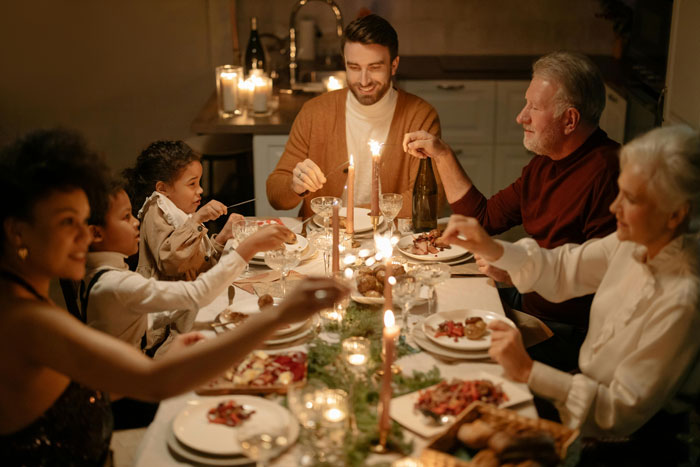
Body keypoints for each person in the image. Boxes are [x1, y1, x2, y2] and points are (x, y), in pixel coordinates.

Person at [0, 129, 348, 464]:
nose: (85, 236)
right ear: (17, 231)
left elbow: (90, 385)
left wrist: (165, 361)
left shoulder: (26, 297)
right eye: (66, 222)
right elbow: (154, 384)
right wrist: (280, 315)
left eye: (83, 220)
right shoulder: (25, 320)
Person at [440, 125, 700, 463]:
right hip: (580, 397)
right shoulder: (633, 242)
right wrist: (491, 247)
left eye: (631, 199)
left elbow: (619, 411)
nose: (615, 207)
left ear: (676, 215)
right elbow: (563, 267)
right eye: (619, 192)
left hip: (630, 444)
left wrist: (529, 372)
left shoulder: (683, 298)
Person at [404, 51, 620, 370]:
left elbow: (600, 281)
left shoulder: (610, 173)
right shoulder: (543, 165)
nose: (521, 117)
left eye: (534, 107)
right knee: (428, 316)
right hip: (530, 304)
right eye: (525, 103)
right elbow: (484, 220)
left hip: (570, 333)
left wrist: (519, 274)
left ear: (570, 120)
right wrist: (442, 154)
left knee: (446, 360)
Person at [84, 179, 291, 357]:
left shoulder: (108, 276)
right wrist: (249, 246)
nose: (136, 222)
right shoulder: (114, 284)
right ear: (96, 234)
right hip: (130, 391)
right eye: (126, 217)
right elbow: (197, 292)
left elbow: (144, 316)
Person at [267, 14, 443, 219]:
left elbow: (428, 200)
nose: (364, 80)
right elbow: (275, 195)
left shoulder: (420, 116)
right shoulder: (314, 112)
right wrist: (293, 186)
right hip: (322, 240)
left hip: (387, 240)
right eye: (354, 67)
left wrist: (349, 216)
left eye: (375, 67)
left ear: (394, 65)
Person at [123, 140, 242, 340]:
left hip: (189, 306)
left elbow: (195, 263)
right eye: (192, 184)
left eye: (200, 182)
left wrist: (222, 238)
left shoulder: (180, 212)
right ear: (163, 188)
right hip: (166, 327)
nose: (201, 190)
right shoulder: (156, 209)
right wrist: (197, 219)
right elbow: (171, 261)